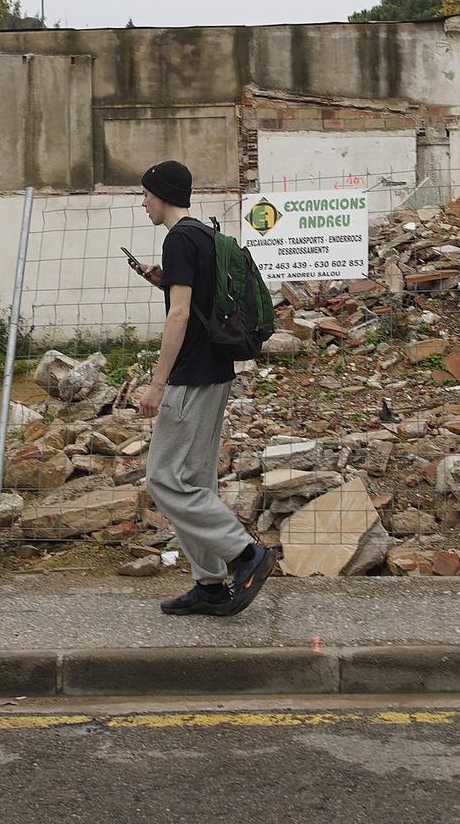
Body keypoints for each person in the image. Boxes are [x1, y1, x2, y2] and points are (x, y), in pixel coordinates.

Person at [130, 159, 274, 617]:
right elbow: (194, 303)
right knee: (195, 481)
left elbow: (178, 316)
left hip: (189, 376)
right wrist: (163, 281)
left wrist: (157, 383)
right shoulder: (206, 236)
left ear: (163, 194)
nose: (144, 203)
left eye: (147, 195)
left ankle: (245, 554)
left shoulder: (177, 239)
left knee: (164, 479)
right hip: (216, 370)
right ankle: (210, 586)